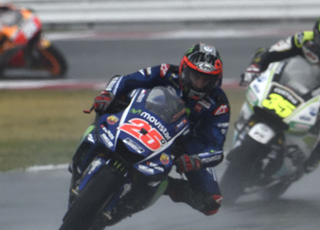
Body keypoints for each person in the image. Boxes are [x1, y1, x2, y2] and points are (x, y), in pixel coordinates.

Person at [75, 43, 229, 215]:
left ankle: (166, 186)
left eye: (205, 79)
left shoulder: (219, 103)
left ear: (216, 79)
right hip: (141, 116)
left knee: (211, 202)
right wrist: (107, 94)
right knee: (109, 107)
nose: (199, 83)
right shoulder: (166, 72)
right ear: (185, 70)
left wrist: (196, 160)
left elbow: (216, 148)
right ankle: (90, 147)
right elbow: (125, 80)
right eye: (196, 76)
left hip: (183, 142)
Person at [240, 10, 320, 172]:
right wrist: (254, 67)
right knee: (262, 92)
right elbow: (269, 52)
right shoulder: (303, 40)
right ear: (317, 35)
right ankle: (245, 123)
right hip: (299, 84)